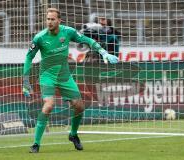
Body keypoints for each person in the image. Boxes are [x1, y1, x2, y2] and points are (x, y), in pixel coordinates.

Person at [22, 8, 118, 153]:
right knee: (49, 105)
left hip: (65, 76)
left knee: (79, 106)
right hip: (47, 76)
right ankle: (36, 144)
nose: (49, 22)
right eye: (48, 19)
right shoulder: (39, 38)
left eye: (53, 19)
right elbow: (29, 57)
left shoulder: (68, 32)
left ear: (59, 21)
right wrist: (25, 82)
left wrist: (103, 52)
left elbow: (88, 40)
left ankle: (73, 135)